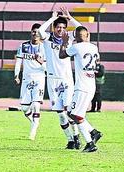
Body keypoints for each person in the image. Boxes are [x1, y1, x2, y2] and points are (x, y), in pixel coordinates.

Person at [39, 8, 101, 150]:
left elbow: (82, 32)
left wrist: (70, 18)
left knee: (70, 112)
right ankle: (71, 140)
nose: (61, 29)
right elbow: (40, 32)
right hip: (52, 80)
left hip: (67, 79)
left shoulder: (70, 38)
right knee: (60, 114)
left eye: (63, 27)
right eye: (58, 27)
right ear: (54, 28)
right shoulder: (48, 39)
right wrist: (52, 18)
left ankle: (79, 136)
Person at [59, 26, 103, 152]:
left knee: (75, 115)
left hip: (82, 86)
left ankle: (90, 143)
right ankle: (93, 132)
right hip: (90, 84)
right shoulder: (94, 47)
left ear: (77, 37)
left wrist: (64, 42)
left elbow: (62, 55)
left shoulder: (76, 47)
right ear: (87, 35)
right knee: (71, 113)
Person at [14, 23, 46, 140]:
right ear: (31, 32)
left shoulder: (44, 47)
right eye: (34, 32)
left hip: (39, 78)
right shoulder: (23, 46)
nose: (35, 34)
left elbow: (48, 67)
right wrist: (16, 75)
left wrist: (41, 62)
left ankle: (34, 129)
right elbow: (18, 62)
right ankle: (34, 121)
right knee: (24, 108)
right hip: (26, 79)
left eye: (38, 32)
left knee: (36, 104)